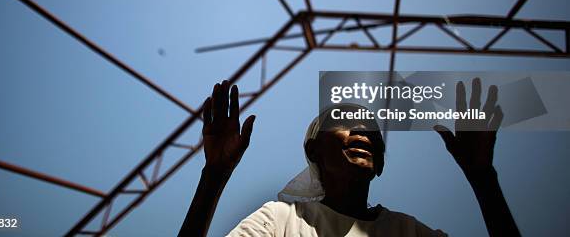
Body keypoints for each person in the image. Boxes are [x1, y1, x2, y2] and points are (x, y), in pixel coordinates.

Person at [178, 78, 520, 236]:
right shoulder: (281, 221)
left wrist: (483, 177)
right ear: (313, 150)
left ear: (381, 162)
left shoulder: (408, 231)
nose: (363, 130)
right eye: (342, 121)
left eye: (373, 128)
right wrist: (214, 176)